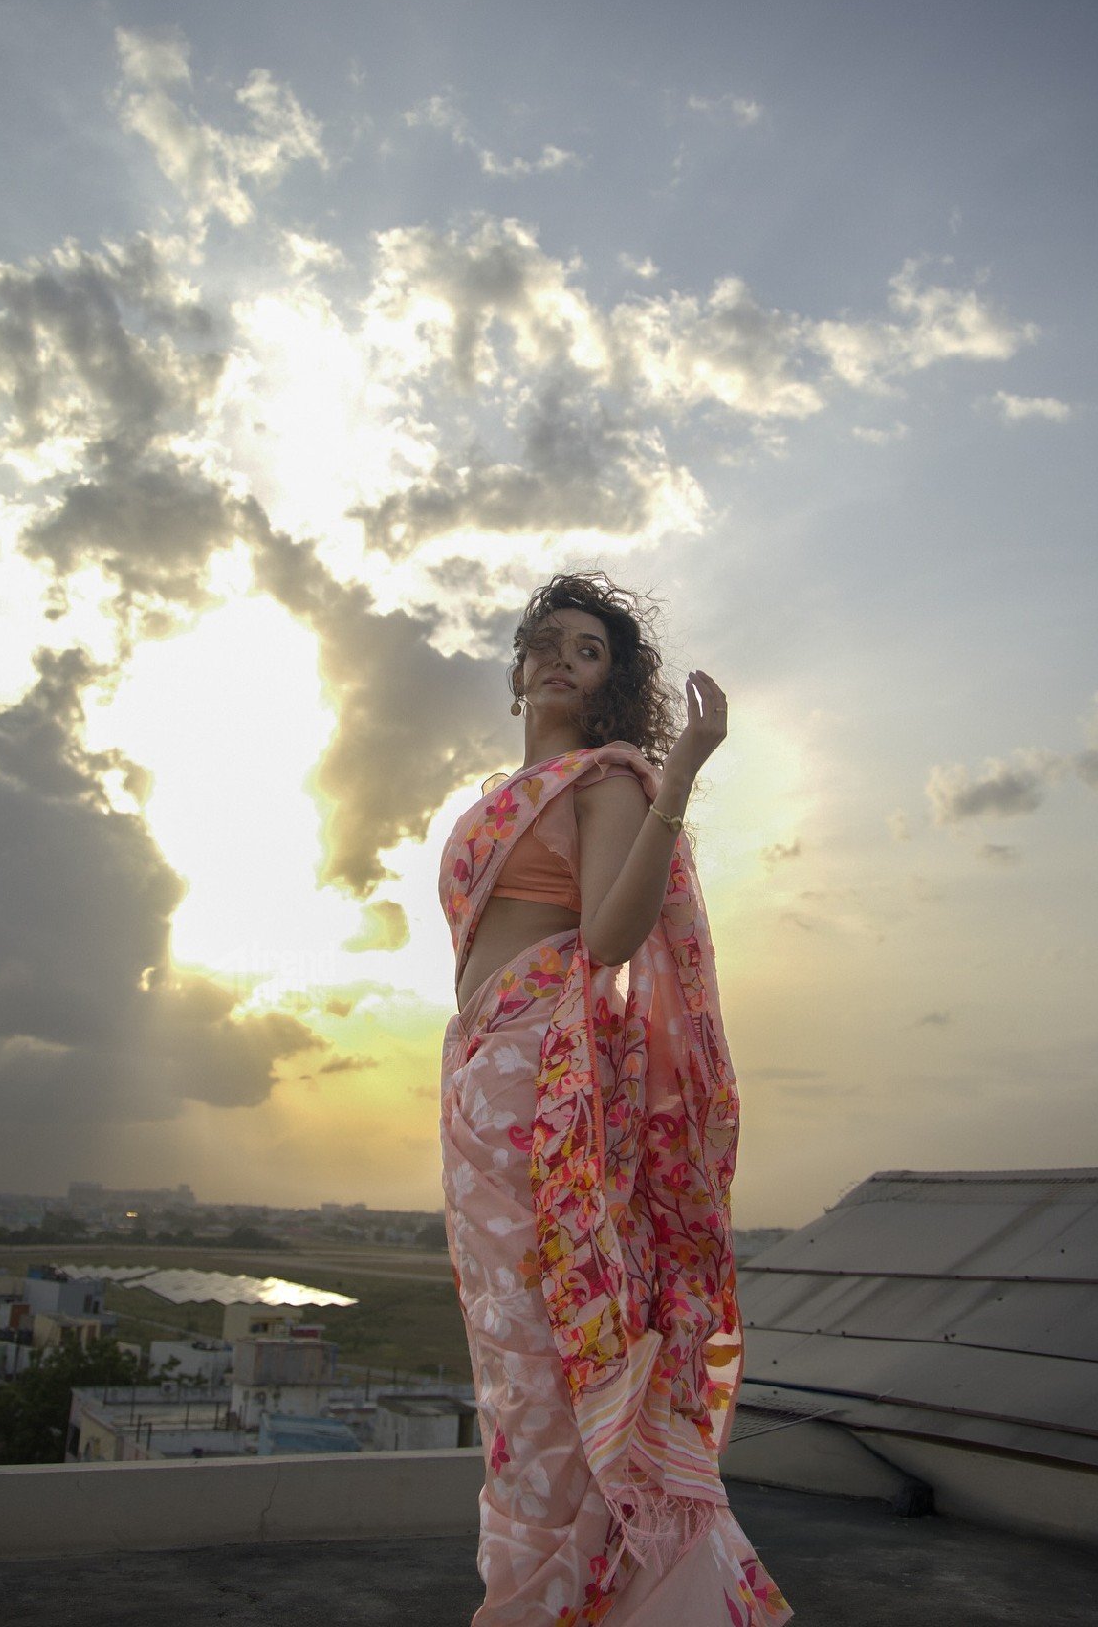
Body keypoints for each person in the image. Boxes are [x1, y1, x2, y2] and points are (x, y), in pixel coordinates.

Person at [437, 570, 793, 1624]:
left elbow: (605, 939)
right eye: (545, 642)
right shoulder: (499, 797)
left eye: (587, 650)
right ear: (517, 671)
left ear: (610, 684)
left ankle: (576, 1593)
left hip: (540, 1080)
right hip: (477, 1075)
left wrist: (676, 777)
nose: (561, 658)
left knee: (549, 1346)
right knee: (508, 1354)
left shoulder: (606, 783)